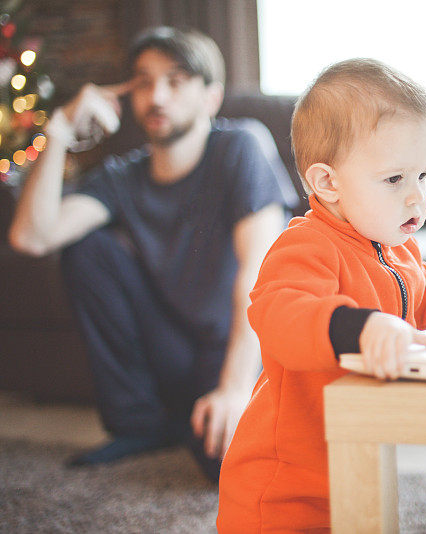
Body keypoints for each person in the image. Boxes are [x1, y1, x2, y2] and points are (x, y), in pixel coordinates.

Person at [216, 58, 426, 531]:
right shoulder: (306, 244)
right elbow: (279, 313)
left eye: (425, 176)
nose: (417, 197)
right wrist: (359, 327)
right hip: (283, 487)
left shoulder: (395, 250)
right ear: (327, 182)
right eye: (395, 179)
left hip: (352, 460)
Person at [7, 27, 298, 482]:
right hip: (173, 342)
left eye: (176, 80)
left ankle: (194, 417)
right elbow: (32, 238)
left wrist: (234, 389)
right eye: (143, 81)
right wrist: (59, 129)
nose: (156, 95)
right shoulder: (122, 176)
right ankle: (142, 425)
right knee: (87, 247)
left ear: (211, 98)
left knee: (231, 470)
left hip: (238, 348)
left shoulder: (239, 146)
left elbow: (260, 274)